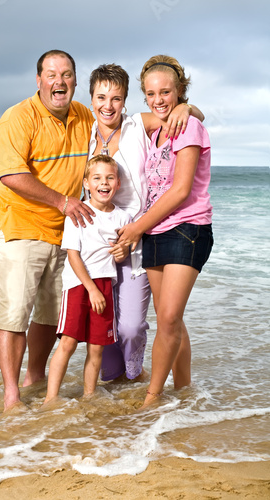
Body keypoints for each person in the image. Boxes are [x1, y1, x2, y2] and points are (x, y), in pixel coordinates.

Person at [0, 50, 95, 411]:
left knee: (50, 315)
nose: (59, 82)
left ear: (75, 81)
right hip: (19, 226)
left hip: (63, 233)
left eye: (66, 75)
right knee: (15, 314)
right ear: (38, 81)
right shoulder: (18, 118)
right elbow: (12, 176)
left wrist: (184, 109)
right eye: (51, 75)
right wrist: (64, 202)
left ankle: (33, 380)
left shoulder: (84, 115)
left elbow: (123, 125)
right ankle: (12, 396)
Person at [87, 64, 205, 383]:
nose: (108, 105)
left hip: (139, 238)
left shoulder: (138, 123)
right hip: (95, 243)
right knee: (99, 321)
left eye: (116, 98)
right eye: (101, 97)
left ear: (126, 100)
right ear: (91, 98)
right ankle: (117, 383)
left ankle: (142, 376)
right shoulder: (82, 133)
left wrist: (185, 104)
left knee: (135, 325)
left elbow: (191, 117)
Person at [118, 55, 214, 408]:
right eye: (151, 93)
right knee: (170, 320)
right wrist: (143, 230)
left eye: (167, 92)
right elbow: (122, 122)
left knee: (169, 317)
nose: (158, 100)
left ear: (180, 91)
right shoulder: (155, 127)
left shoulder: (187, 126)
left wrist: (134, 230)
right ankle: (184, 391)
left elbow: (180, 190)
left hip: (188, 228)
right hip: (155, 231)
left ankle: (152, 398)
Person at [43, 155, 131, 403]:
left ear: (118, 183)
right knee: (68, 343)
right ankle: (51, 398)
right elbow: (73, 256)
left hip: (105, 285)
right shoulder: (77, 213)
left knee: (96, 348)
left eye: (110, 178)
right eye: (97, 178)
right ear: (86, 183)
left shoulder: (123, 218)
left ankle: (89, 396)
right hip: (78, 285)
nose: (104, 183)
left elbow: (125, 251)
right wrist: (91, 289)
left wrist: (124, 251)